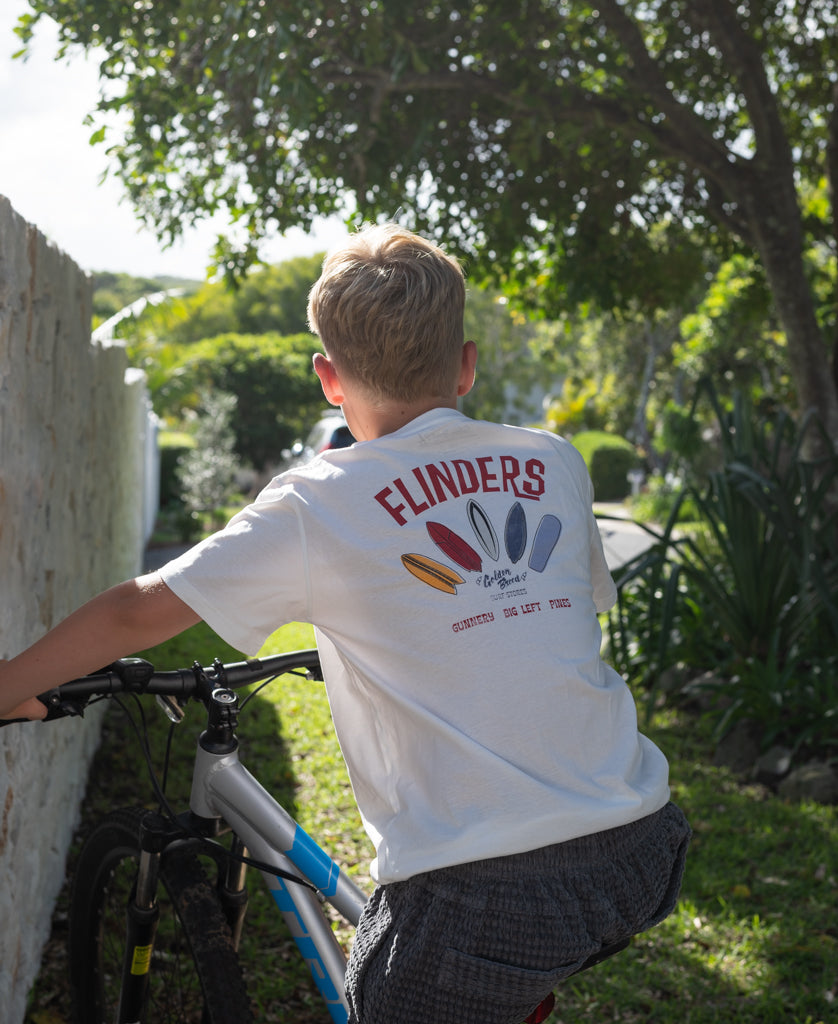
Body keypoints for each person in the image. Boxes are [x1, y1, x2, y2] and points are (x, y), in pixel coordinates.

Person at [1, 223, 690, 1024]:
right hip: (644, 842)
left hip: (483, 893)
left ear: (330, 378)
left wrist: (10, 685)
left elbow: (137, 608)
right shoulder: (554, 460)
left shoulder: (318, 499)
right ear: (465, 365)